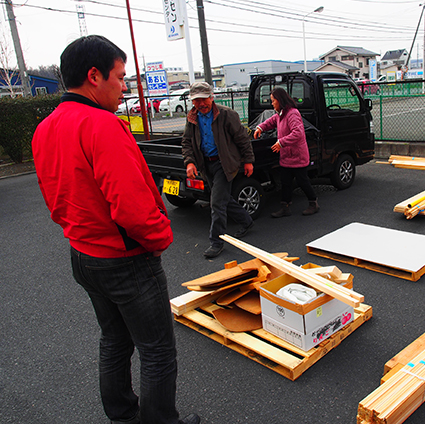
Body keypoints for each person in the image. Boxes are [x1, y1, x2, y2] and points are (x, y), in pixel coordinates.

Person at [32, 35, 199, 424]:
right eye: (121, 78)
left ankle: (123, 415)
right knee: (157, 351)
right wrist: (161, 237)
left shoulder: (46, 128)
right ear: (94, 76)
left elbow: (53, 197)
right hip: (125, 259)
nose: (124, 88)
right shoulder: (102, 125)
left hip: (83, 253)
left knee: (114, 340)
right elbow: (132, 207)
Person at [181, 82, 255, 258]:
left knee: (216, 203)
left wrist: (248, 161)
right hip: (206, 164)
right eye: (196, 100)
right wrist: (190, 162)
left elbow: (242, 138)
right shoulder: (192, 117)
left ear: (211, 97)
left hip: (225, 163)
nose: (201, 104)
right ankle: (247, 221)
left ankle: (217, 242)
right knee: (223, 199)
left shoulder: (226, 114)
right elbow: (186, 141)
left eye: (203, 99)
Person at [253, 87, 319, 217]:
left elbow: (298, 133)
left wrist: (281, 142)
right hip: (287, 155)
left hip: (297, 155)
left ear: (280, 100)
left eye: (273, 101)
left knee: (302, 181)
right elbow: (271, 121)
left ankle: (313, 203)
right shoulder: (280, 113)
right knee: (285, 182)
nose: (272, 104)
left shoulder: (292, 113)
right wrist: (260, 127)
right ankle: (285, 207)